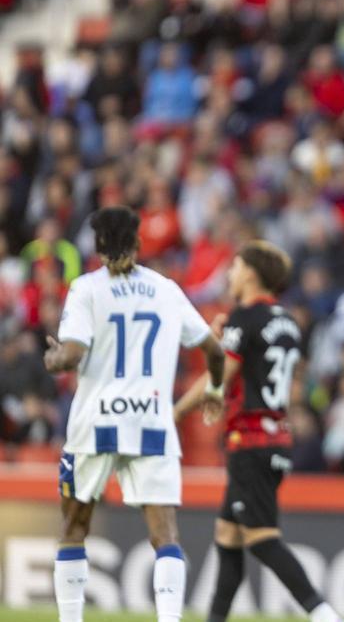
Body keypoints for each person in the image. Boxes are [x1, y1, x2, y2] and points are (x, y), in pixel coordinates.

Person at [45, 206, 227, 622]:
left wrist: (53, 357)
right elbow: (214, 351)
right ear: (139, 244)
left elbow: (71, 354)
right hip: (151, 422)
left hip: (95, 423)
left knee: (74, 527)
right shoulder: (165, 289)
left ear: (97, 248)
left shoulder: (87, 288)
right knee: (164, 534)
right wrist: (214, 390)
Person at [175, 240, 342, 622]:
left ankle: (325, 615)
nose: (229, 275)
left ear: (250, 273)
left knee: (262, 540)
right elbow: (250, 366)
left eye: (233, 267)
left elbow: (225, 373)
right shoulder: (287, 322)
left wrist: (176, 411)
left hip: (250, 441)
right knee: (228, 536)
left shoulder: (244, 317)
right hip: (274, 436)